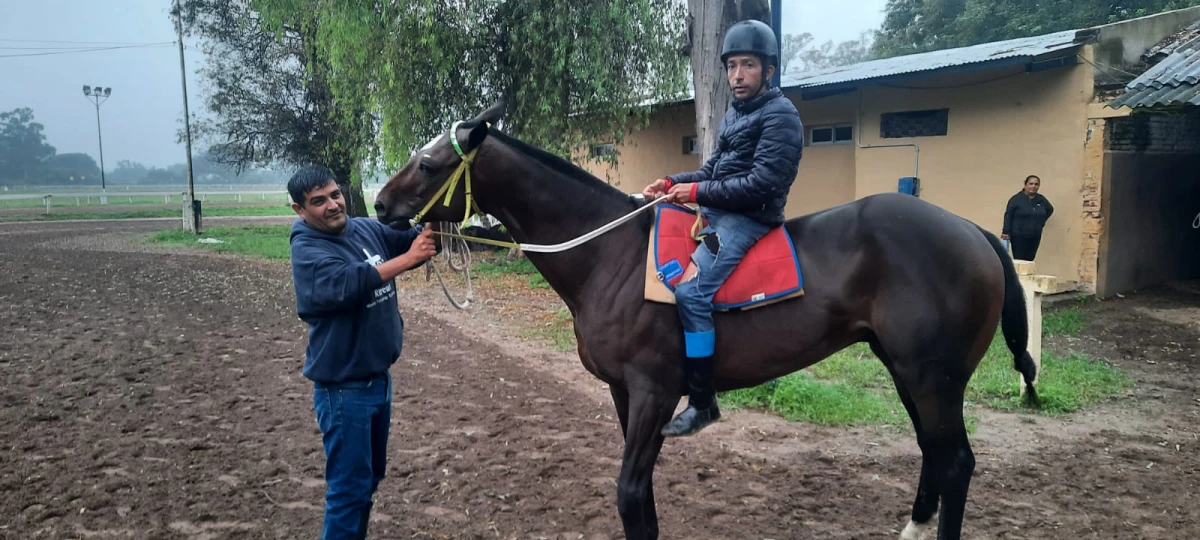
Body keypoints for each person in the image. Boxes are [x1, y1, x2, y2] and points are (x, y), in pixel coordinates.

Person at [642, 19, 804, 438]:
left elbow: (761, 184)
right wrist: (672, 183)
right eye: (731, 66)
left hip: (748, 218)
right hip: (719, 212)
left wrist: (695, 190)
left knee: (691, 292)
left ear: (769, 70)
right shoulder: (736, 114)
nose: (736, 76)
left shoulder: (781, 116)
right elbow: (713, 170)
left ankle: (702, 401)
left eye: (747, 65)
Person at [287, 165, 438, 539]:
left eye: (335, 195)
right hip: (343, 391)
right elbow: (344, 283)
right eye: (318, 202)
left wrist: (437, 222)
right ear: (299, 209)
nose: (333, 205)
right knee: (348, 491)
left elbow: (408, 240)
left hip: (378, 383)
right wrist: (406, 260)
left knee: (366, 482)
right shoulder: (308, 247)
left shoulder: (364, 228)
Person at [1002, 174, 1054, 261]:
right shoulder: (1016, 199)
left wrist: (1040, 222)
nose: (1033, 186)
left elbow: (1049, 210)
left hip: (1035, 235)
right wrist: (1006, 231)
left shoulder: (1041, 200)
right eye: (1031, 184)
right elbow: (1008, 215)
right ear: (1025, 185)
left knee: (1030, 260)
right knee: (1020, 261)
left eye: (1036, 184)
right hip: (1018, 235)